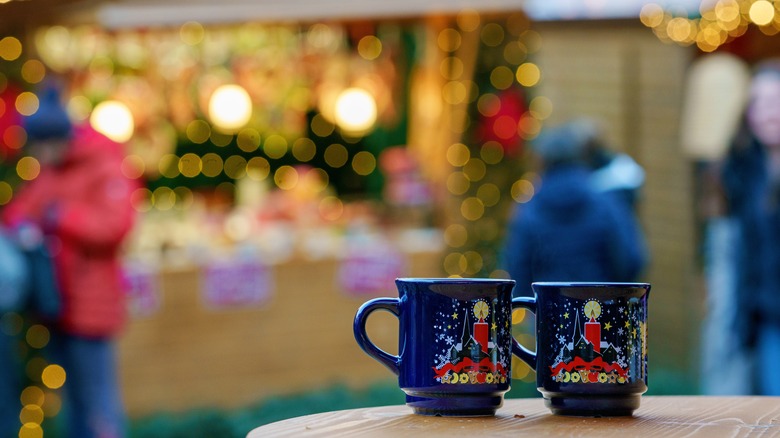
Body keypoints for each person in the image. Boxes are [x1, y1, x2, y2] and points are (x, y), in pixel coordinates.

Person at [2, 84, 138, 437]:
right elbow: (24, 210)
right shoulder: (50, 172)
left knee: (98, 405)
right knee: (75, 404)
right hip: (56, 304)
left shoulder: (103, 165)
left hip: (91, 304)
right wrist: (20, 224)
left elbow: (115, 226)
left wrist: (62, 217)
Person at [501, 119, 647, 297]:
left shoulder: (529, 210)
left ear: (543, 162)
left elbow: (518, 265)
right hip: (600, 311)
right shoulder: (605, 203)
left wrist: (529, 304)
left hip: (549, 314)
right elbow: (631, 259)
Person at [722, 59, 780, 396]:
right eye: (757, 102)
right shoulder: (744, 168)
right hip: (764, 313)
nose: (765, 112)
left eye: (775, 102)